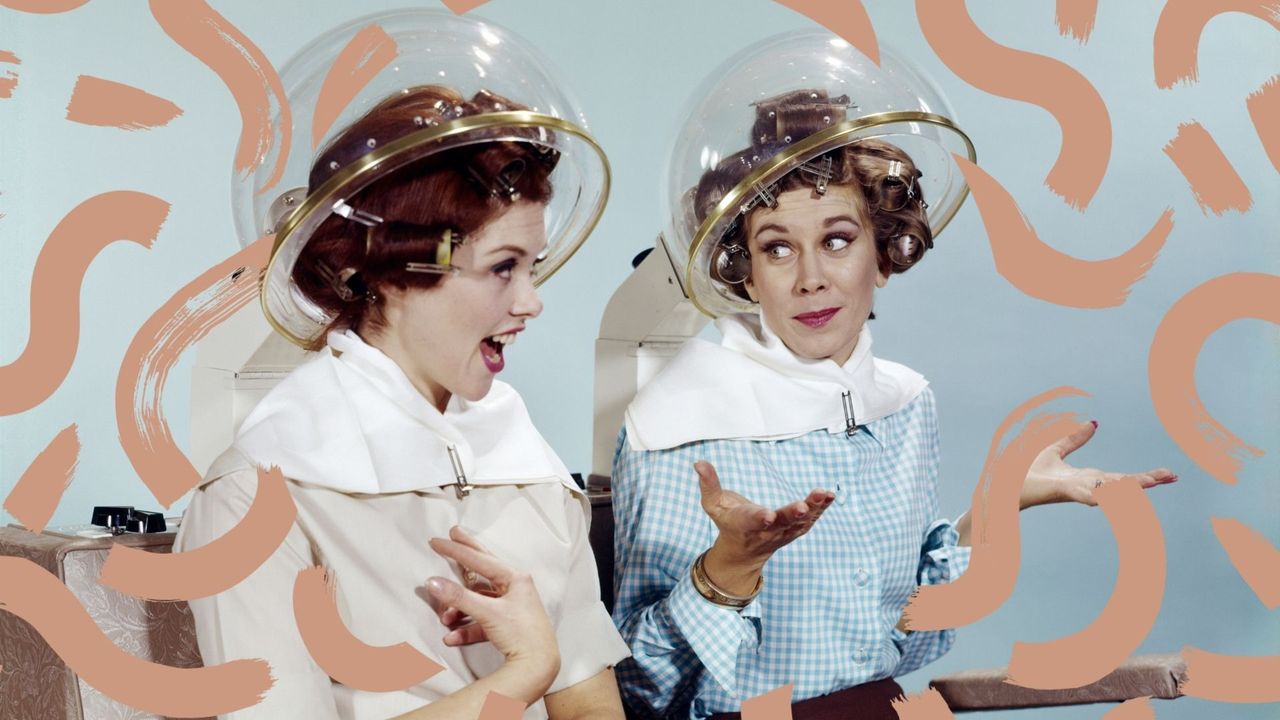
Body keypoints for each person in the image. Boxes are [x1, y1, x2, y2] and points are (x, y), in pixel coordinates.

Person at [609, 32, 1176, 720]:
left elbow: (899, 640)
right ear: (746, 273)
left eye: (837, 240)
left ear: (885, 253)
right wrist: (724, 573)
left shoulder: (902, 406)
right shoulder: (676, 428)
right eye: (777, 248)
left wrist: (999, 507)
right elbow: (637, 691)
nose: (812, 277)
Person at [175, 11, 626, 720]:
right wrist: (526, 670)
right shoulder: (254, 503)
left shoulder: (531, 472)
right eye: (502, 267)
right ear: (382, 271)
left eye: (532, 266)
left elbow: (592, 706)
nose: (533, 302)